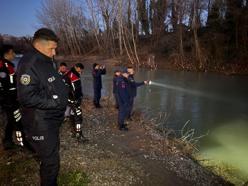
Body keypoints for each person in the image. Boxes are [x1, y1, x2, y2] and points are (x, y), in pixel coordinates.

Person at [17, 28, 68, 186]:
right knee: (50, 163)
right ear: (39, 45)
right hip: (40, 123)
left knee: (52, 155)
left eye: (55, 48)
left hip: (50, 120)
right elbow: (26, 96)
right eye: (51, 48)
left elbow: (47, 84)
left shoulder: (46, 60)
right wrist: (54, 103)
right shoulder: (29, 63)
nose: (54, 52)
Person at [0, 44, 25, 149]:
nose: (14, 54)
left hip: (11, 99)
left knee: (11, 120)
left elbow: (12, 82)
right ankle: (22, 143)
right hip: (8, 100)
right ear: (8, 53)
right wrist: (9, 100)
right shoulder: (2, 66)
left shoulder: (9, 65)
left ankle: (8, 141)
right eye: (13, 52)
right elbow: (4, 86)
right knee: (17, 120)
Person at [67, 63, 88, 142]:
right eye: (80, 69)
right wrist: (77, 99)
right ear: (76, 68)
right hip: (73, 99)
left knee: (72, 114)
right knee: (78, 116)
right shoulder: (73, 76)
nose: (81, 70)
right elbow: (76, 89)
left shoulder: (69, 73)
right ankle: (79, 135)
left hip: (69, 99)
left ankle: (73, 131)